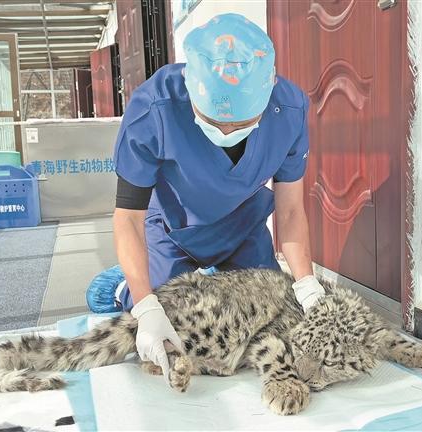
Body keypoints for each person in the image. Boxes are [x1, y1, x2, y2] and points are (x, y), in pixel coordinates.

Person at [88, 13, 326, 382]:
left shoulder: (289, 111)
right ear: (190, 89)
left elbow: (291, 209)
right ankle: (123, 282)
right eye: (213, 121)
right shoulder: (154, 107)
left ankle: (211, 274)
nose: (227, 131)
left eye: (242, 124)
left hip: (242, 227)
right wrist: (146, 306)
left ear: (268, 93)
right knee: (164, 317)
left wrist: (307, 285)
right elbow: (129, 217)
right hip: (172, 228)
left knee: (270, 311)